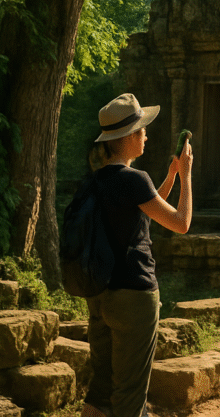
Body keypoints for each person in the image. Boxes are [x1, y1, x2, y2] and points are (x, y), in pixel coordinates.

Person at [82, 93, 193, 417]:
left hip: (98, 292)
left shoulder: (96, 180)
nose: (147, 134)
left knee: (100, 389)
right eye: (143, 129)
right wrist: (186, 175)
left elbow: (145, 213)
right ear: (129, 136)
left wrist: (171, 176)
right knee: (130, 398)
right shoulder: (133, 179)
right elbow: (180, 223)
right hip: (133, 295)